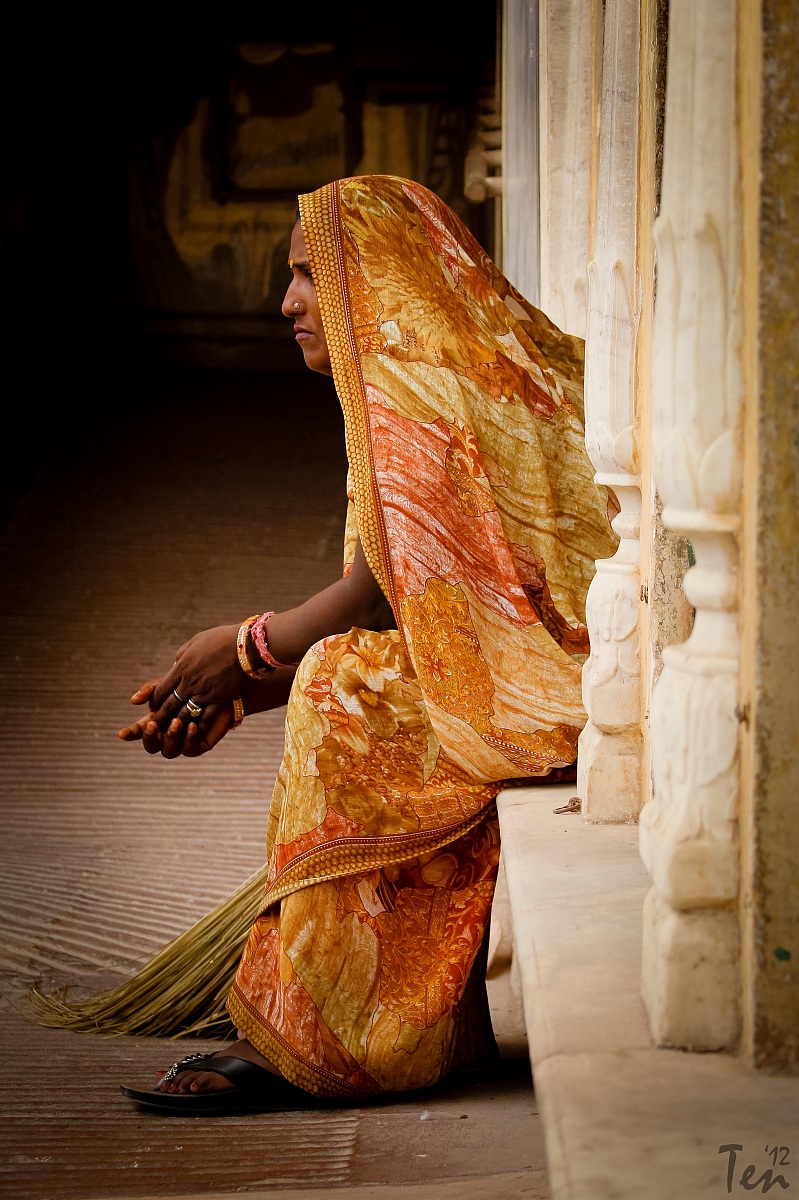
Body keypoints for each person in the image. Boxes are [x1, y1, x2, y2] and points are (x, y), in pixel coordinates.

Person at [111, 174, 616, 1112]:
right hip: (526, 651)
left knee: (350, 689)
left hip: (565, 662)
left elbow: (384, 592)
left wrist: (256, 650)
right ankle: (344, 1010)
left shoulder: (426, 380)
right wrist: (249, 684)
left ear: (376, 275)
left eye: (309, 274)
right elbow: (414, 600)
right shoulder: (404, 378)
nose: (288, 302)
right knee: (345, 677)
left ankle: (339, 1036)